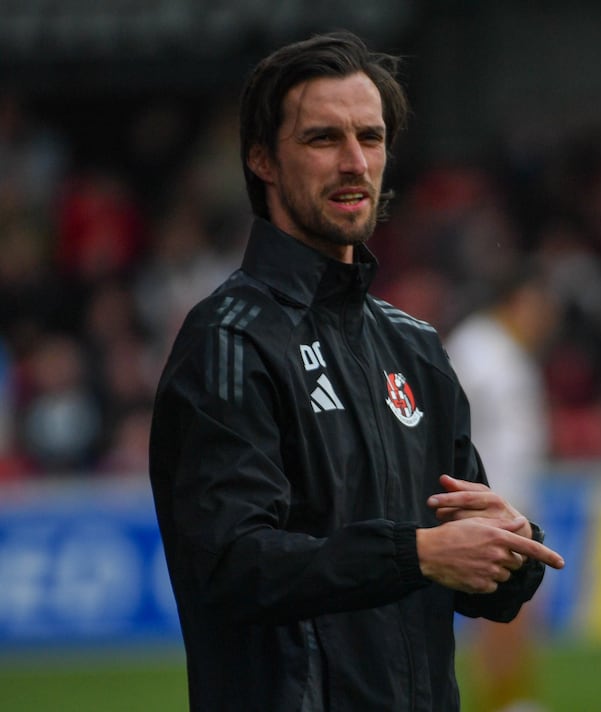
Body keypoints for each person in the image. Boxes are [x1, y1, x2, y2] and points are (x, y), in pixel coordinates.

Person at [148, 31, 564, 712]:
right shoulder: (228, 338)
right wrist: (417, 554)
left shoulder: (416, 348)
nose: (354, 162)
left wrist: (512, 548)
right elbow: (228, 566)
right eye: (322, 139)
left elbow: (478, 583)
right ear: (262, 161)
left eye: (370, 138)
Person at [446, 259, 560, 712]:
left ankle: (513, 700)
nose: (546, 319)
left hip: (517, 504)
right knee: (500, 613)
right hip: (487, 508)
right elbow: (446, 420)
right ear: (520, 301)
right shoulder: (476, 349)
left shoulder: (511, 353)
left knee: (522, 613)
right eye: (541, 306)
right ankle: (499, 703)